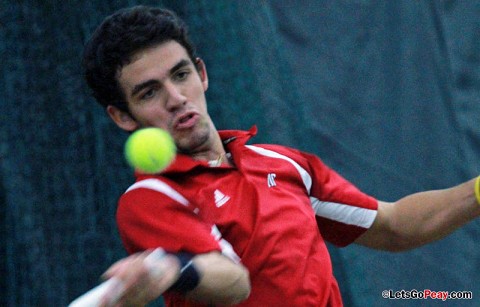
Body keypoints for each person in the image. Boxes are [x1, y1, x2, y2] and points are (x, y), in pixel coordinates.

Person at [82, 5, 480, 307]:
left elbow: (393, 225)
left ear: (201, 73)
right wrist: (175, 269)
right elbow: (233, 281)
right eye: (149, 93)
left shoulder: (282, 164)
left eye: (181, 74)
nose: (176, 98)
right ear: (122, 116)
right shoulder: (150, 199)